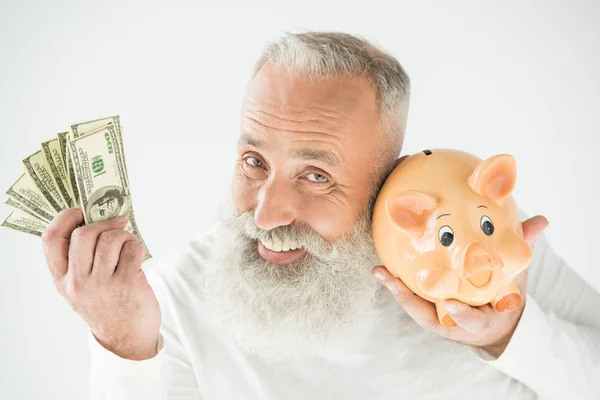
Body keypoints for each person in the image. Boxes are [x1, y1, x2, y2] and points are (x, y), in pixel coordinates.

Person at [41, 32, 600, 400]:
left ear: (390, 184)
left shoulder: (489, 246)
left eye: (316, 175)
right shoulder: (170, 301)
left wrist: (509, 332)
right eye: (254, 161)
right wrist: (125, 350)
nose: (266, 212)